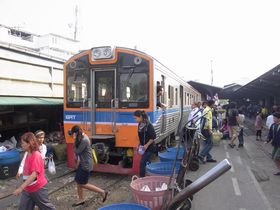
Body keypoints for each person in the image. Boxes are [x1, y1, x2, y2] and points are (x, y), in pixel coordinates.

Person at [13, 132, 55, 210]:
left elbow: (34, 175)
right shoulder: (27, 154)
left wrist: (21, 188)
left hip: (38, 188)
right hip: (28, 188)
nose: (21, 145)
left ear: (29, 144)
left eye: (22, 143)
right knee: (23, 208)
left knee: (46, 207)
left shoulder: (36, 155)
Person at [70, 125, 108, 207]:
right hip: (82, 163)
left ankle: (102, 192)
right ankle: (81, 199)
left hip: (86, 165)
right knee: (78, 181)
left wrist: (74, 140)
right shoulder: (82, 137)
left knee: (83, 184)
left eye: (73, 134)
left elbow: (77, 151)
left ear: (75, 133)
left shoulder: (84, 140)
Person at [134, 110, 156, 177]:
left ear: (140, 117)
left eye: (135, 118)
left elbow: (153, 137)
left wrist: (146, 145)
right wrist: (139, 145)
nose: (135, 120)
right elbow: (140, 137)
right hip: (143, 147)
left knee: (142, 162)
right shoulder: (140, 124)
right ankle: (149, 173)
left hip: (150, 148)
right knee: (147, 162)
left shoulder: (149, 125)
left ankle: (142, 178)